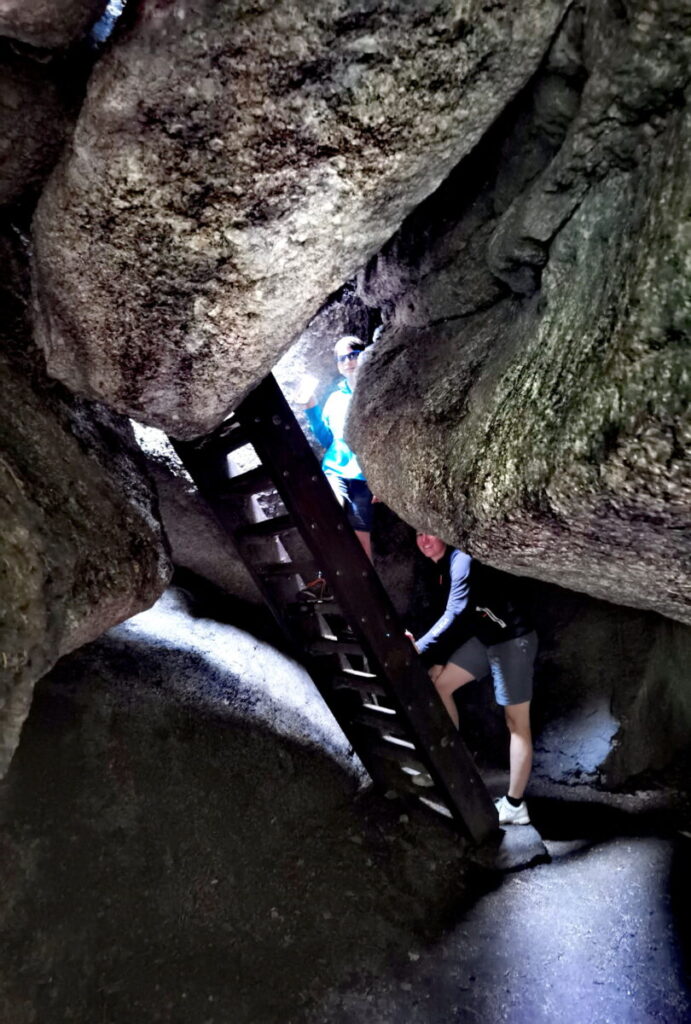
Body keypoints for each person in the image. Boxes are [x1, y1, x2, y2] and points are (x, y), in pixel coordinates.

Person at [411, 533, 537, 825]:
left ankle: (515, 805)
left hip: (511, 639)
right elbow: (462, 616)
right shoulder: (441, 568)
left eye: (430, 533)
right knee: (439, 684)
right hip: (485, 639)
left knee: (516, 723)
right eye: (418, 534)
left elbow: (455, 613)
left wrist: (419, 647)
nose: (424, 540)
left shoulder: (461, 560)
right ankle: (451, 766)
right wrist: (439, 657)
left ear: (444, 534)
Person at [298, 336, 374, 560]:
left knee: (361, 536)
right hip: (335, 469)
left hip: (364, 476)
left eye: (353, 355)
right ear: (339, 366)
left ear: (364, 355)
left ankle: (368, 590)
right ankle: (325, 575)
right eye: (342, 358)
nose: (348, 361)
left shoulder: (374, 394)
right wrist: (310, 406)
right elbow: (326, 439)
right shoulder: (335, 398)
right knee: (331, 512)